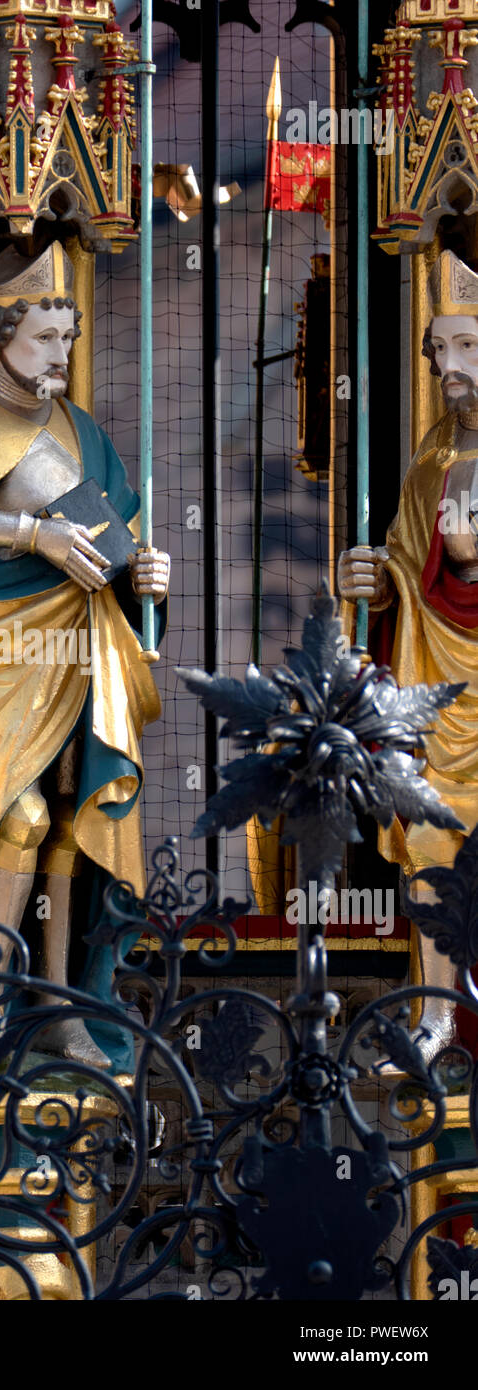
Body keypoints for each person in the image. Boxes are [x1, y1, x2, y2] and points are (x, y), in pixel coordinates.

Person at [0, 243, 169, 1068]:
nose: (62, 353)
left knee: (68, 816)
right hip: (10, 645)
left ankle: (60, 1005)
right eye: (45, 338)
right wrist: (33, 535)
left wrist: (148, 575)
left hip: (84, 642)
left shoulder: (78, 428)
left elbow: (121, 529)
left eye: (68, 337)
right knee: (14, 814)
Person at [338, 247, 478, 1063]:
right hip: (439, 684)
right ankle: (436, 1017)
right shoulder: (432, 455)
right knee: (430, 842)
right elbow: (405, 555)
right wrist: (375, 579)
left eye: (467, 346)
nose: (448, 366)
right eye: (438, 348)